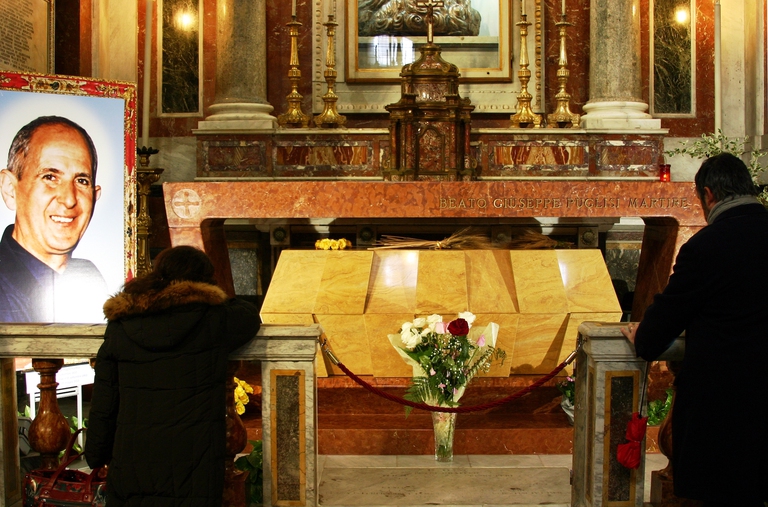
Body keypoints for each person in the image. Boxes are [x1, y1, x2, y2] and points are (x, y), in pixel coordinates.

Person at [621, 152, 768, 507]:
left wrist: (641, 335)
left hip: (725, 410)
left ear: (708, 195)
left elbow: (658, 332)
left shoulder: (707, 246)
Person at [85, 245, 261, 506]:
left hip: (133, 454)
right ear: (205, 280)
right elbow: (248, 315)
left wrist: (96, 454)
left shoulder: (123, 324)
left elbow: (105, 398)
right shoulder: (212, 319)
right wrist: (215, 297)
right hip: (194, 459)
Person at [0, 115, 106, 322]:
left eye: (81, 180)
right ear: (10, 189)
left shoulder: (90, 278)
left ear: (95, 196)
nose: (68, 200)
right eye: (50, 177)